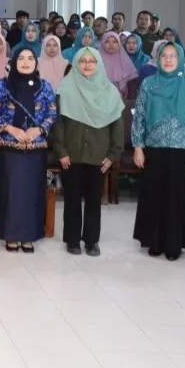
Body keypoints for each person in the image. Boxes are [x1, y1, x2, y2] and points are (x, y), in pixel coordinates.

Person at [132, 42, 185, 261]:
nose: (169, 60)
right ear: (158, 58)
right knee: (154, 195)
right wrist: (138, 147)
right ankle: (154, 241)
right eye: (164, 56)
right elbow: (139, 116)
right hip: (154, 149)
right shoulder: (148, 84)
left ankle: (174, 244)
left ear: (180, 59)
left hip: (182, 151)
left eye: (173, 56)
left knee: (177, 197)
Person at [53, 47, 125, 256]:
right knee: (72, 200)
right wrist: (61, 151)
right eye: (82, 61)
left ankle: (92, 241)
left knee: (94, 201)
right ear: (76, 63)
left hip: (99, 156)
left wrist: (112, 155)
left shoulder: (110, 92)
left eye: (92, 61)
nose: (87, 65)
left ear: (99, 64)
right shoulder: (65, 88)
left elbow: (117, 127)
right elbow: (58, 124)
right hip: (71, 154)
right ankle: (72, 240)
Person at [0, 48, 57, 253]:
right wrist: (11, 129)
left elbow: (52, 113)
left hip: (35, 148)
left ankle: (29, 235)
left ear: (36, 62)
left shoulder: (45, 86)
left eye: (30, 59)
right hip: (9, 147)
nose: (26, 62)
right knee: (10, 192)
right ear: (14, 62)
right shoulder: (2, 85)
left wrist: (39, 129)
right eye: (21, 58)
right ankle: (10, 234)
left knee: (32, 193)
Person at [99, 31, 139, 98]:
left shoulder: (125, 61)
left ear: (119, 43)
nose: (111, 44)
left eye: (114, 42)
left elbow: (132, 87)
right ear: (102, 43)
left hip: (121, 101)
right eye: (107, 42)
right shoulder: (96, 60)